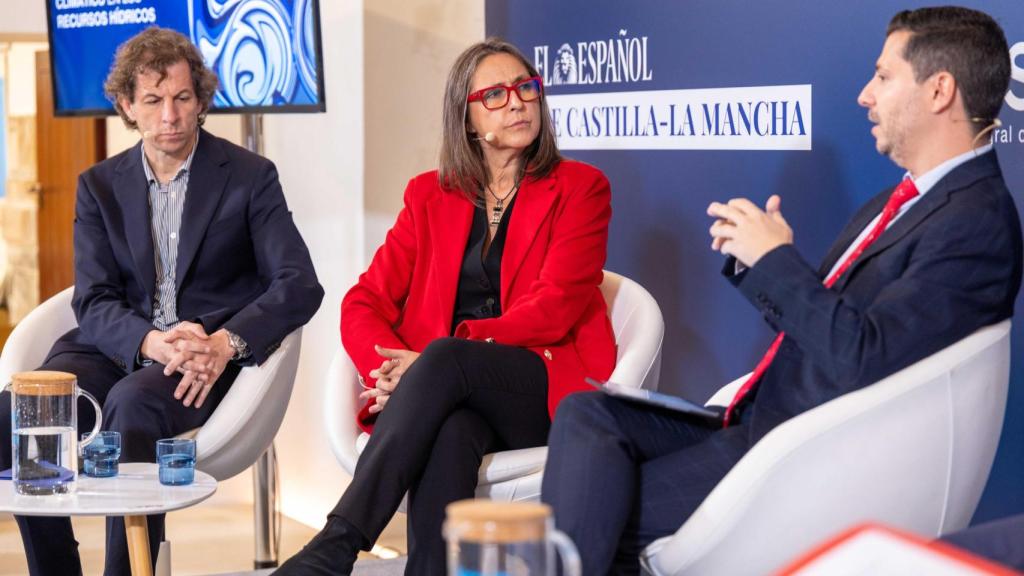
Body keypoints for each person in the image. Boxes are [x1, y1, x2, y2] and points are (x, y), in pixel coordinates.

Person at [540, 6, 1022, 574]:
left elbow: (862, 356)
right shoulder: (908, 200)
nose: (866, 95)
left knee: (595, 504)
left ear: (940, 90)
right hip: (761, 421)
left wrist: (777, 261)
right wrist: (762, 263)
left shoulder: (975, 221)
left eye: (884, 77)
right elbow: (834, 326)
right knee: (587, 414)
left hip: (801, 458)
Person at [276, 38, 616, 575]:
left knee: (445, 362)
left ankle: (336, 544)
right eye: (498, 94)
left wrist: (438, 359)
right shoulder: (429, 196)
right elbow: (364, 301)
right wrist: (388, 370)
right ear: (468, 117)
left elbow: (555, 307)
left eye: (527, 88)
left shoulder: (581, 189)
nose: (519, 103)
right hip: (448, 390)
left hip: (540, 383)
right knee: (452, 431)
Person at [0, 27, 323, 576]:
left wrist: (226, 343)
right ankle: (55, 569)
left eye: (181, 98)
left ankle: (129, 572)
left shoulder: (249, 177)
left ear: (201, 101)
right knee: (19, 414)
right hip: (114, 346)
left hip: (202, 355)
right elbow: (95, 297)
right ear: (128, 105)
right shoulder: (98, 185)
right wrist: (149, 340)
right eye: (152, 100)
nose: (169, 115)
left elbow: (298, 282)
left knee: (133, 404)